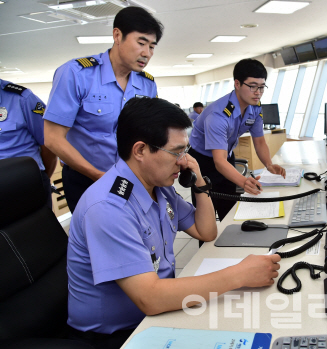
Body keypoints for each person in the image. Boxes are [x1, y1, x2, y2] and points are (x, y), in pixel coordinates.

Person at [66, 97, 281, 349]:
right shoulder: (108, 208)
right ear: (140, 150)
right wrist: (239, 275)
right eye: (176, 152)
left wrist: (199, 181)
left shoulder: (158, 187)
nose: (183, 161)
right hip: (120, 335)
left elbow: (206, 231)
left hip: (156, 314)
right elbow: (151, 299)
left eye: (185, 151)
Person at [43, 6, 163, 213]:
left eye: (152, 46)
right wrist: (97, 175)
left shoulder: (147, 84)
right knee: (97, 241)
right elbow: (53, 138)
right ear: (117, 35)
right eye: (141, 43)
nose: (147, 53)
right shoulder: (76, 74)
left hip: (132, 177)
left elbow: (149, 133)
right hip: (86, 178)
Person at [188, 59, 286, 221]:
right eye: (253, 86)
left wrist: (269, 164)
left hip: (225, 156)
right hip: (202, 162)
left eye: (262, 87)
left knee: (230, 210)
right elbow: (218, 161)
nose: (258, 92)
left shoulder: (254, 107)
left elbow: (259, 141)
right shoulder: (218, 115)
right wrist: (244, 181)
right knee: (207, 216)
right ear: (237, 84)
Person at [0, 79, 57, 209]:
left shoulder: (22, 98)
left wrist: (39, 179)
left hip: (24, 183)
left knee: (37, 227)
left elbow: (49, 143)